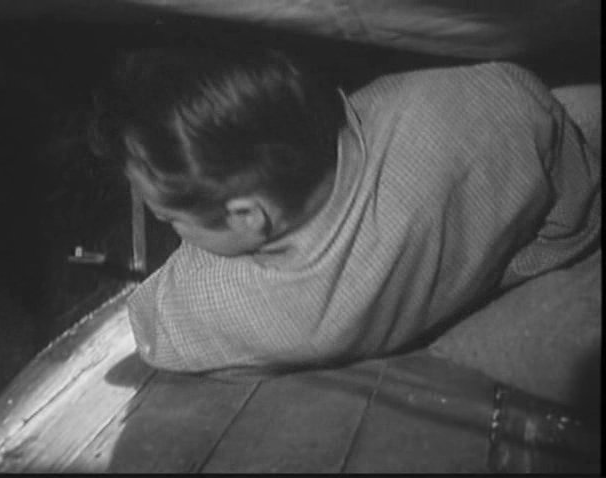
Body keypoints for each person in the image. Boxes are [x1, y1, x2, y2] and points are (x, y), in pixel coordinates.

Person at [89, 46, 600, 378]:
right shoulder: (495, 91)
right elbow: (570, 195)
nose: (170, 228)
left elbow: (150, 325)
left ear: (248, 216)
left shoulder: (265, 310)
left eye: (168, 216)